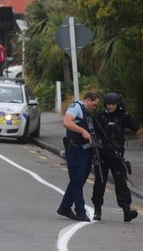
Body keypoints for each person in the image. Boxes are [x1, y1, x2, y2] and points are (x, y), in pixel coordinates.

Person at [91, 93, 139, 222]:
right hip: (102, 155)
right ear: (105, 104)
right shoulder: (99, 117)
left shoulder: (122, 116)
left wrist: (126, 113)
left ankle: (126, 210)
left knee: (122, 183)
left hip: (117, 156)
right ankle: (97, 210)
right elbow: (93, 134)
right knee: (100, 182)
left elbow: (135, 126)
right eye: (109, 104)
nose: (111, 106)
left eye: (113, 104)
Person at [57, 92, 100, 222]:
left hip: (85, 150)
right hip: (75, 150)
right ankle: (80, 212)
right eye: (94, 103)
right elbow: (66, 122)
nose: (94, 106)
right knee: (77, 181)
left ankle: (65, 207)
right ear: (87, 100)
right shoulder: (76, 107)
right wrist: (83, 131)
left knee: (79, 180)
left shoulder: (88, 111)